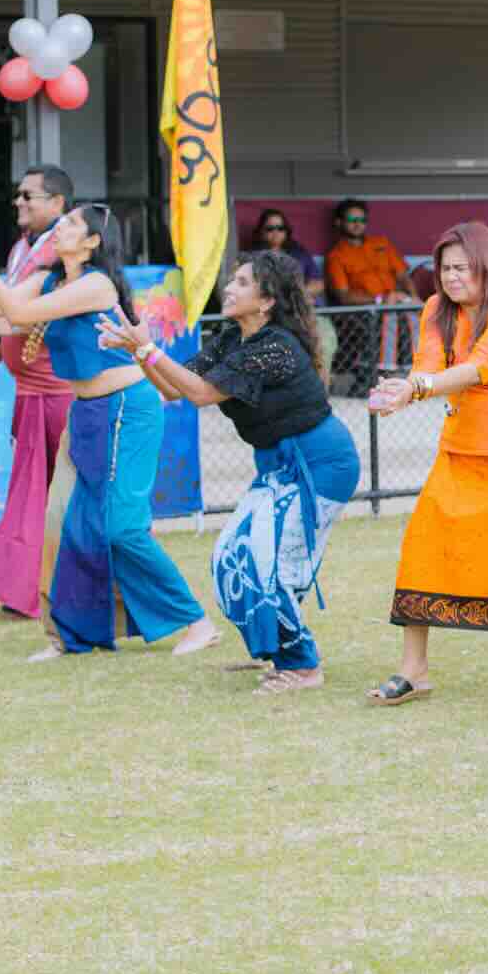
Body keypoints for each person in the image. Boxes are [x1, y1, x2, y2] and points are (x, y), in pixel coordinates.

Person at [0, 203, 216, 661]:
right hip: (85, 414)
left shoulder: (96, 286)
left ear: (93, 242)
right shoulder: (50, 281)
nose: (58, 231)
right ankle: (70, 636)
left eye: (69, 226)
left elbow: (16, 314)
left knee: (122, 528)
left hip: (127, 412)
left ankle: (196, 622)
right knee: (64, 524)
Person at [99, 252, 361, 696]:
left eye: (242, 282)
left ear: (266, 302)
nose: (230, 287)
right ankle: (280, 648)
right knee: (231, 558)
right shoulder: (230, 339)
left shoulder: (275, 346)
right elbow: (172, 388)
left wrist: (146, 347)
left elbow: (200, 393)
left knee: (269, 563)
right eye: (233, 280)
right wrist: (139, 350)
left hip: (320, 464)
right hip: (277, 466)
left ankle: (301, 665)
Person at [367, 221, 488, 705]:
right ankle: (413, 671)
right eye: (445, 269)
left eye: (462, 268)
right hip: (463, 443)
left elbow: (482, 366)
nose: (453, 277)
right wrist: (402, 392)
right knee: (423, 544)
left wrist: (417, 388)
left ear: (487, 266)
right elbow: (428, 366)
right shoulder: (436, 307)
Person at [0, 163, 74, 618]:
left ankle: (49, 590)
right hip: (28, 390)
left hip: (57, 391)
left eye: (29, 196)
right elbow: (0, 318)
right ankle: (29, 589)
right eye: (18, 194)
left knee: (57, 492)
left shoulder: (62, 252)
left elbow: (9, 314)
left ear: (58, 205)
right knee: (32, 492)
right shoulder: (22, 248)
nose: (18, 202)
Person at [324, 198, 415, 395]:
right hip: (367, 308)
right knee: (390, 314)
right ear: (339, 222)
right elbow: (344, 296)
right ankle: (385, 371)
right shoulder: (336, 255)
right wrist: (380, 300)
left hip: (397, 300)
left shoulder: (381, 243)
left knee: (416, 312)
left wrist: (414, 298)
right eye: (352, 219)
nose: (358, 224)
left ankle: (415, 370)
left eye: (362, 219)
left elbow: (402, 275)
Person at [249, 209, 323, 300]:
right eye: (270, 229)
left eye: (280, 228)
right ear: (261, 232)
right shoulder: (252, 258)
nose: (276, 232)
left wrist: (301, 294)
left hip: (300, 306)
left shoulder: (299, 254)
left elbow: (318, 283)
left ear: (286, 231)